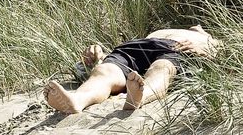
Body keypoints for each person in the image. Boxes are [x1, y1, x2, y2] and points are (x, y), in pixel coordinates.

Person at [43, 25, 220, 113]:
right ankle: (77, 101)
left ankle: (139, 97)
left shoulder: (212, 41)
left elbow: (233, 62)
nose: (197, 25)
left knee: (163, 68)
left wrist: (203, 50)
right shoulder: (164, 29)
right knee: (105, 71)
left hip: (179, 50)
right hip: (137, 45)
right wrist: (99, 52)